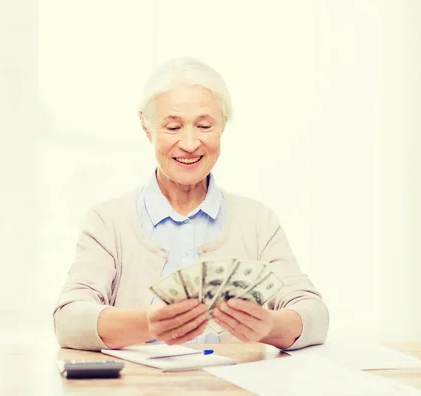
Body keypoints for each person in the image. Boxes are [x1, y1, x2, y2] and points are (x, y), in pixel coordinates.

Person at [53, 56, 329, 351]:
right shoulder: (107, 221)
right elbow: (68, 320)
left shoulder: (258, 222)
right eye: (173, 127)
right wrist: (148, 323)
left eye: (204, 126)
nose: (189, 143)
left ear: (223, 125)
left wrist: (271, 326)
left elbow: (314, 315)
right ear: (147, 129)